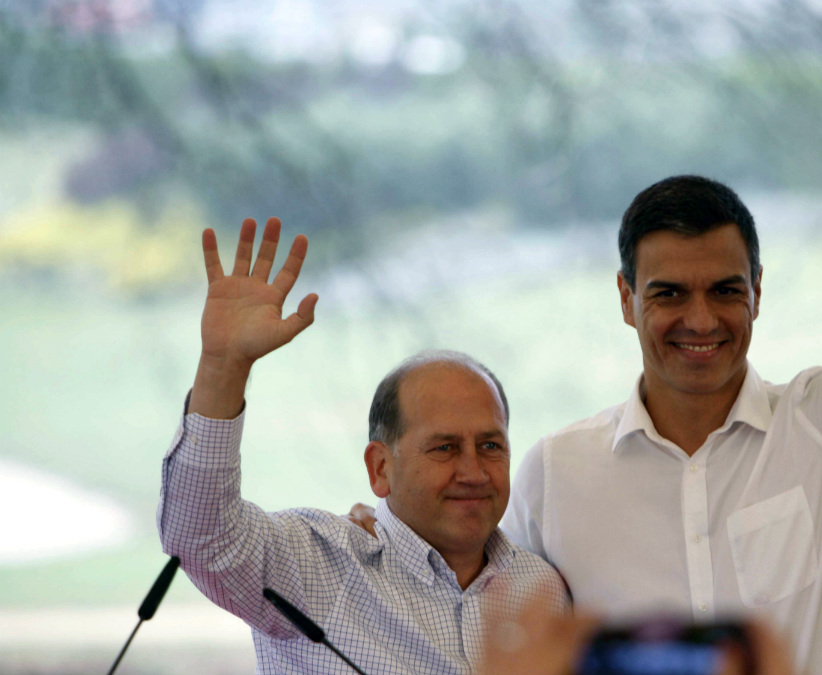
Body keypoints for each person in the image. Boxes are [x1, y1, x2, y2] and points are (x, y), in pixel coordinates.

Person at [352, 18, 822, 675]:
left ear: (758, 290)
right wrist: (382, 526)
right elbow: (464, 587)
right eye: (668, 294)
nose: (700, 319)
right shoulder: (555, 474)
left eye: (725, 290)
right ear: (625, 299)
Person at [157, 218, 569, 675]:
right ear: (380, 468)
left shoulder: (542, 589)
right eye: (444, 448)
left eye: (490, 446)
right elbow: (201, 539)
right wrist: (222, 368)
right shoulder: (320, 566)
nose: (473, 471)